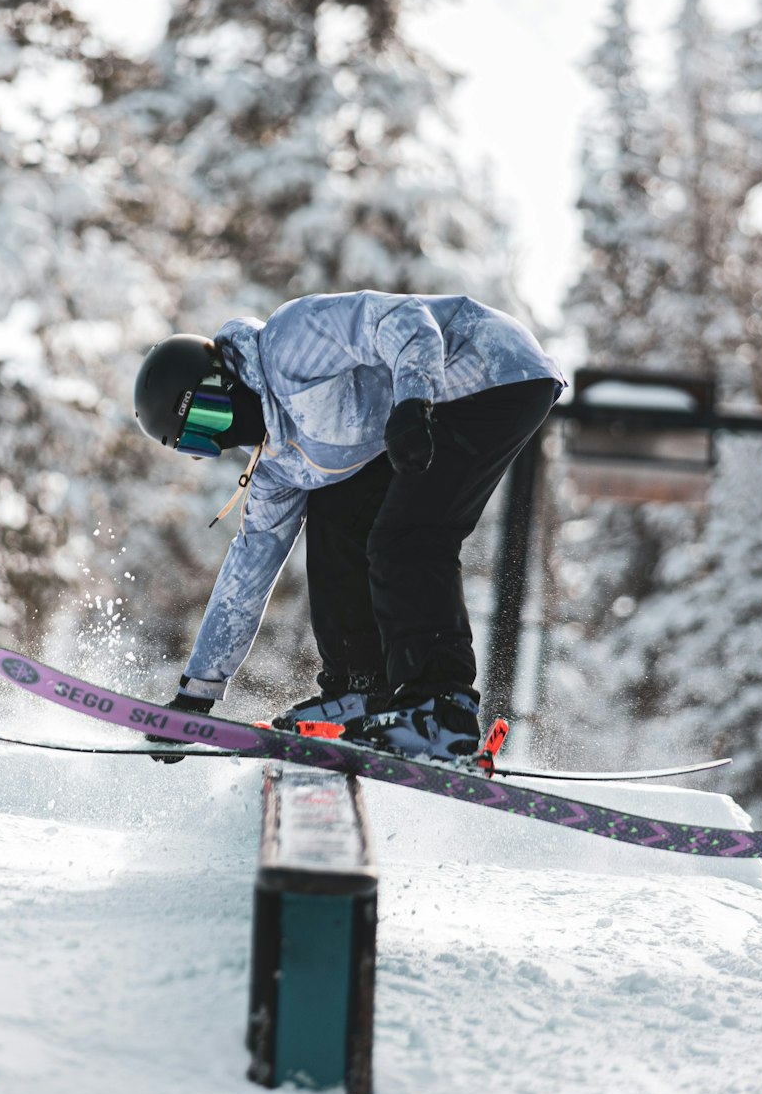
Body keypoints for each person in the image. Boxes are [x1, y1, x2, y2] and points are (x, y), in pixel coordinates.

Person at [133, 290, 564, 761]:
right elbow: (248, 572)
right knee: (337, 512)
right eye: (200, 440)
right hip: (425, 410)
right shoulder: (280, 465)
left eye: (209, 413)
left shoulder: (290, 341)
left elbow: (403, 318)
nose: (219, 433)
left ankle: (442, 713)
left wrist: (413, 402)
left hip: (487, 368)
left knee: (409, 537)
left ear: (225, 376)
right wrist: (198, 693)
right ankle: (361, 689)